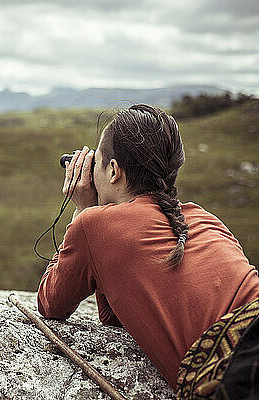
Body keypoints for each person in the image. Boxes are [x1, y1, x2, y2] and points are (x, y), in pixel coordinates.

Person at [36, 104, 259, 399]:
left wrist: (82, 209)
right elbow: (118, 315)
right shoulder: (205, 218)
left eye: (99, 162)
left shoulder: (93, 226)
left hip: (241, 366)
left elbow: (50, 303)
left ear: (113, 171)